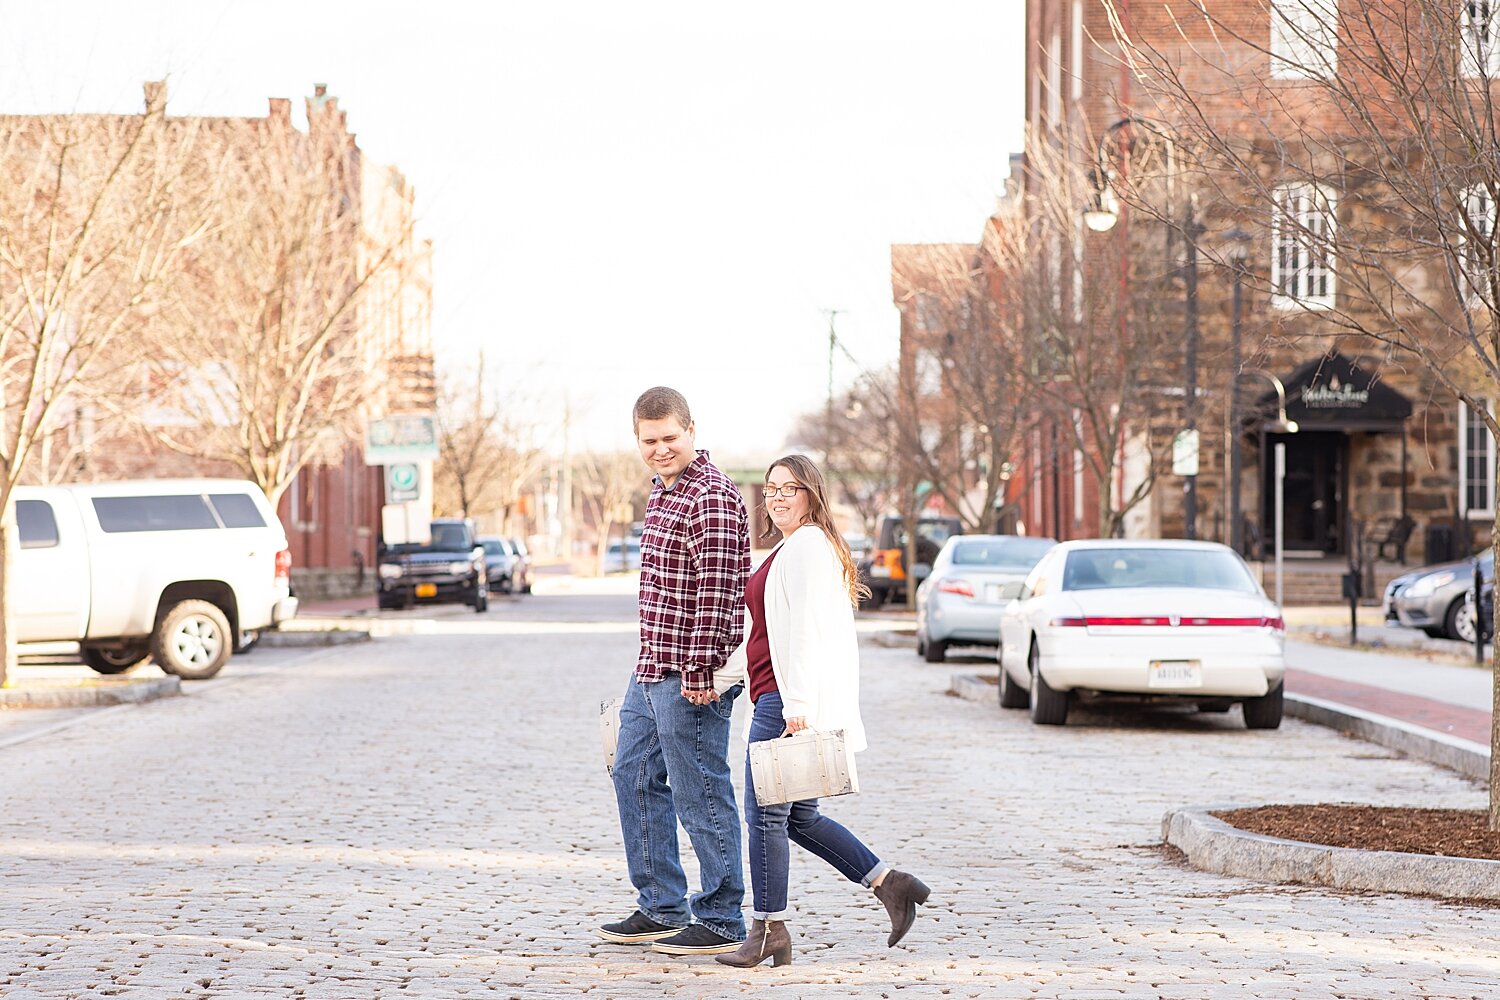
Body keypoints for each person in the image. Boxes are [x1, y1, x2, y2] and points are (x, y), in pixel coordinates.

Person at [716, 454, 930, 969]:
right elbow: (767, 636)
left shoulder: (809, 547)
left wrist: (799, 706)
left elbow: (808, 633)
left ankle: (768, 928)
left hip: (785, 705)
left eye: (790, 488)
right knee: (799, 818)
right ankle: (890, 883)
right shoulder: (791, 548)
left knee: (765, 817)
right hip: (778, 695)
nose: (779, 497)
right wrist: (720, 680)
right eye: (771, 489)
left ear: (812, 494)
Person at [598, 387, 751, 957]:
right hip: (651, 665)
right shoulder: (663, 494)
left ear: (691, 430)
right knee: (631, 771)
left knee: (700, 790)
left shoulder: (709, 496)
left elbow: (718, 595)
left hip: (692, 669)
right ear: (637, 439)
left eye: (670, 438)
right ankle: (662, 904)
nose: (660, 449)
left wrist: (701, 670)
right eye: (649, 441)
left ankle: (721, 916)